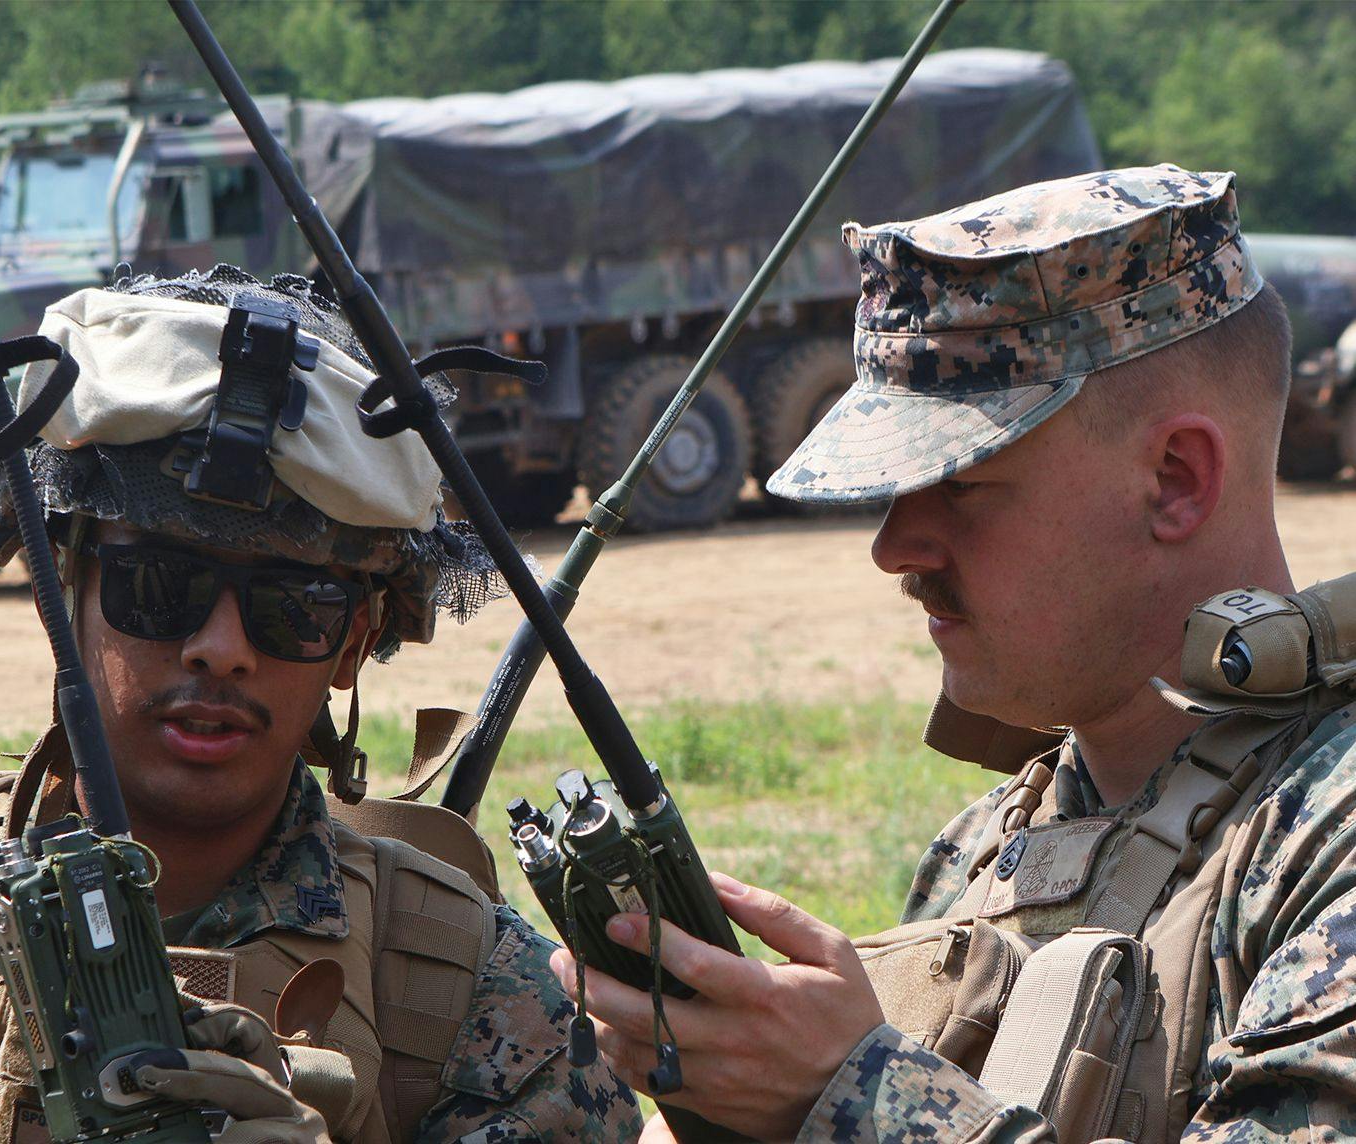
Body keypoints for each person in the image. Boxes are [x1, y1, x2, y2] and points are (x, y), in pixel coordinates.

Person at [552, 164, 1356, 1141]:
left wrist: (848, 1096)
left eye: (963, 484)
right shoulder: (990, 845)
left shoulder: (1324, 841)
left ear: (1175, 480)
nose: (895, 548)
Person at [0, 266, 641, 1144]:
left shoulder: (481, 991)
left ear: (353, 646)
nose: (222, 648)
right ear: (65, 592)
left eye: (295, 607)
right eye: (160, 583)